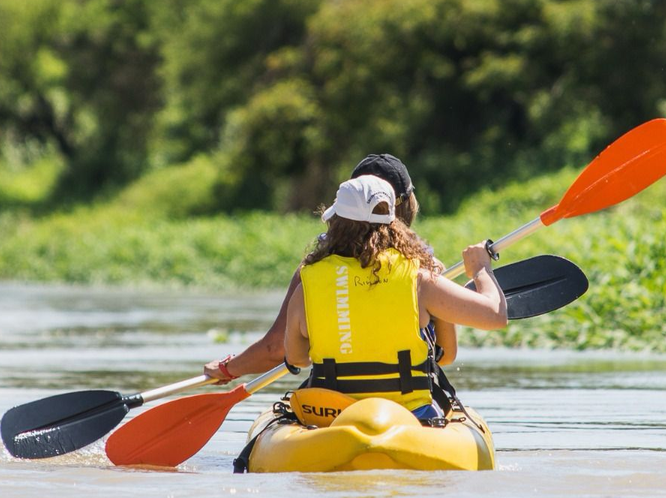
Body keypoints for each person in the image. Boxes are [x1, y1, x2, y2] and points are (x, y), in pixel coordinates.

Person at [202, 154, 460, 382]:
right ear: (404, 204)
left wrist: (228, 368)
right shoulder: (425, 268)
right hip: (406, 401)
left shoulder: (314, 270)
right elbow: (446, 354)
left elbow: (277, 349)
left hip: (333, 399)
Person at [282, 175, 507, 420]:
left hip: (332, 417)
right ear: (393, 224)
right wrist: (480, 269)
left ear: (335, 223)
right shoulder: (419, 280)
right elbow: (495, 315)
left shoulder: (307, 286)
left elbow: (297, 358)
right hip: (409, 416)